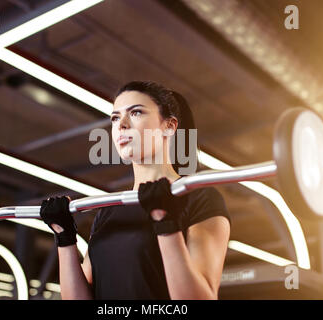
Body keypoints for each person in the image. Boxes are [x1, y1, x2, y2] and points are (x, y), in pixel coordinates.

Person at [40, 80, 231, 300]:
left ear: (169, 126)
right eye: (115, 117)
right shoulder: (109, 210)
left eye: (136, 112)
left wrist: (167, 224)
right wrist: (65, 239)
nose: (121, 124)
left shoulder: (199, 197)